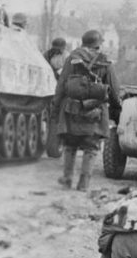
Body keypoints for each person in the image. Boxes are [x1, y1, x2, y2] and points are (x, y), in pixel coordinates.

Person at [51, 29, 121, 191]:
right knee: (91, 148)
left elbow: (61, 86)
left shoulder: (72, 59)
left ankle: (67, 179)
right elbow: (115, 91)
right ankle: (83, 184)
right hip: (95, 113)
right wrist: (117, 111)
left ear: (83, 42)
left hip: (71, 110)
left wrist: (55, 109)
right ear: (97, 45)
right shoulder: (105, 62)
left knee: (70, 145)